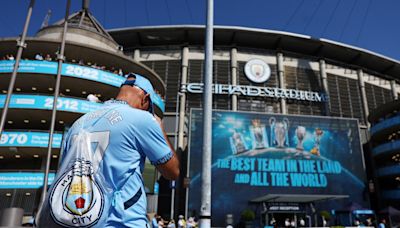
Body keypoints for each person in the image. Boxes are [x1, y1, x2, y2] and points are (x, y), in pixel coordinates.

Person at [36, 73, 180, 227]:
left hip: (77, 219)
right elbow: (172, 172)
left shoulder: (78, 123)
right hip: (121, 221)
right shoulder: (143, 118)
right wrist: (159, 128)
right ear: (145, 98)